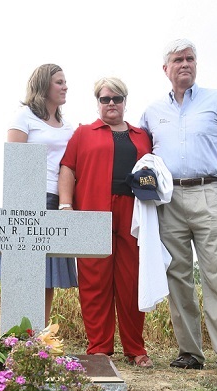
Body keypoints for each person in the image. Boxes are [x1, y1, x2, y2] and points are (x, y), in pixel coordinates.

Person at [139, 39, 217, 378]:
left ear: (196, 64)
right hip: (169, 199)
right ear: (166, 69)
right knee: (177, 276)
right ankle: (189, 351)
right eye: (177, 60)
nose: (185, 64)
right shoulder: (152, 112)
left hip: (211, 193)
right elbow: (142, 155)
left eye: (190, 59)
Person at [58, 77, 154, 367]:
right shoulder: (83, 133)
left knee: (131, 280)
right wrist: (65, 205)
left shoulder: (142, 136)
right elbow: (68, 168)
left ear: (125, 101)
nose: (111, 103)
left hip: (133, 213)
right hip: (93, 210)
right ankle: (99, 347)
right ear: (97, 102)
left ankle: (135, 349)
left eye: (116, 98)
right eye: (104, 99)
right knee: (94, 280)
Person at [0, 63, 77, 325]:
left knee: (47, 275)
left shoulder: (66, 125)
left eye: (65, 82)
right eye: (59, 82)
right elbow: (14, 162)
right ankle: (14, 333)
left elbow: (69, 165)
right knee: (21, 271)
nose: (65, 87)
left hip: (54, 199)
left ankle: (38, 335)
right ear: (43, 85)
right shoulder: (23, 117)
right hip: (27, 198)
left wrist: (66, 203)